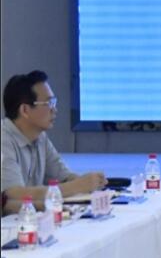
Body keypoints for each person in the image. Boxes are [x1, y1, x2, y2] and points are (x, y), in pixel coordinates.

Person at [2, 70, 107, 208]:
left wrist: (90, 184)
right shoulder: (3, 140)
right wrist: (77, 186)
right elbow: (12, 195)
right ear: (25, 110)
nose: (55, 110)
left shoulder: (40, 137)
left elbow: (64, 177)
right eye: (49, 103)